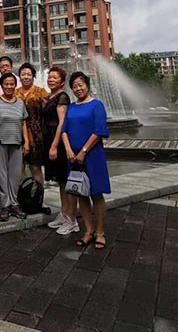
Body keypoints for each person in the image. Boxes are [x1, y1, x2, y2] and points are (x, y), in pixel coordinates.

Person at [62, 71, 111, 251]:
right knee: (81, 193)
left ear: (87, 85)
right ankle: (88, 231)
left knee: (96, 194)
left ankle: (100, 232)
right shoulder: (71, 107)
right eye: (74, 86)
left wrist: (83, 151)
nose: (78, 88)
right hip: (73, 158)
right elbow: (64, 130)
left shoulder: (96, 105)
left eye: (80, 85)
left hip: (92, 156)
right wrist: (68, 149)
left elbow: (99, 130)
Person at [0, 72, 30, 221]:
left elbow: (23, 123)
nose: (9, 86)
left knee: (15, 175)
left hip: (17, 142)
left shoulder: (20, 103)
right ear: (1, 86)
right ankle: (5, 205)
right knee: (2, 176)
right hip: (0, 142)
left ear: (15, 85)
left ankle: (14, 204)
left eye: (11, 84)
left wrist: (26, 142)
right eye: (6, 84)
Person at [42, 67, 74, 235]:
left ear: (62, 81)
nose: (51, 79)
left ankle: (71, 220)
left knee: (65, 180)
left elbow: (62, 123)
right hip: (49, 139)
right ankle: (64, 213)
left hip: (59, 142)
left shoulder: (62, 97)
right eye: (50, 77)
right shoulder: (51, 96)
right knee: (61, 181)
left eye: (55, 77)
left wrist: (54, 145)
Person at [15, 62, 47, 187]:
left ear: (33, 76)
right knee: (20, 167)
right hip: (18, 133)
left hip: (36, 134)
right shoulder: (15, 93)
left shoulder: (41, 92)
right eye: (23, 74)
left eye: (29, 74)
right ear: (19, 77)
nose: (26, 77)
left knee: (35, 167)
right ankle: (23, 195)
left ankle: (39, 195)